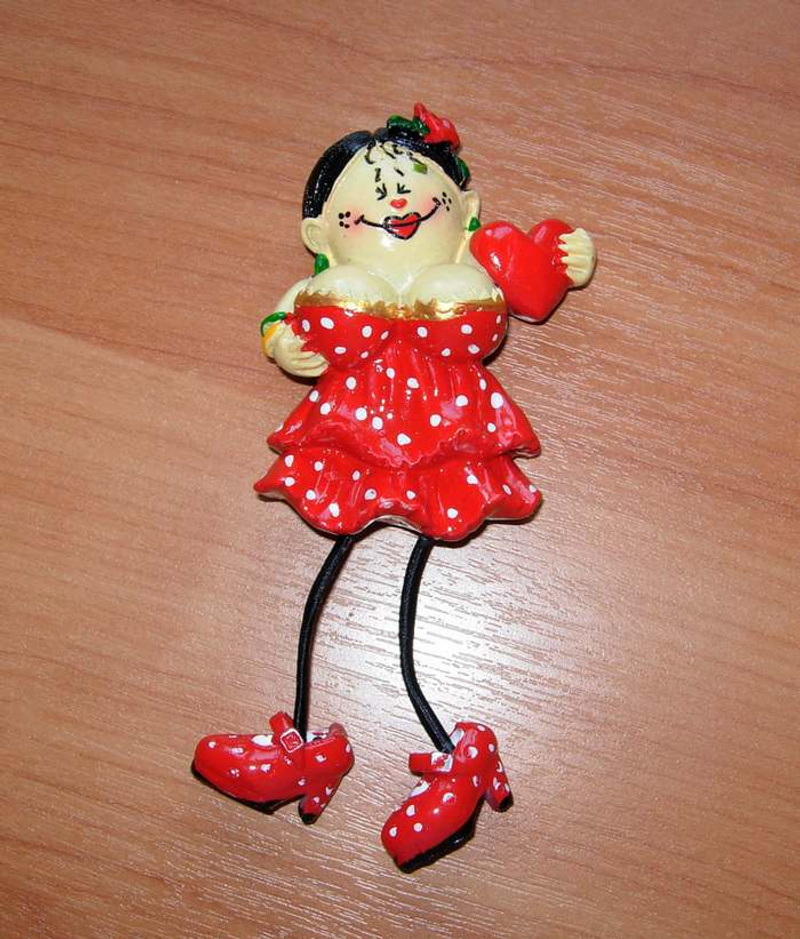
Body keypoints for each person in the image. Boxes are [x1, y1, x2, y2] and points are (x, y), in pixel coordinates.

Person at [193, 104, 596, 871]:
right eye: (371, 192)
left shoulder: (476, 258)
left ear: (466, 211)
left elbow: (534, 287)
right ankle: (302, 747)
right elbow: (279, 321)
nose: (397, 200)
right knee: (326, 580)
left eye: (413, 185)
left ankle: (457, 757)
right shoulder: (328, 279)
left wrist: (563, 260)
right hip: (352, 433)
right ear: (320, 234)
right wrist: (285, 339)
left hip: (449, 436)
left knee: (407, 597)